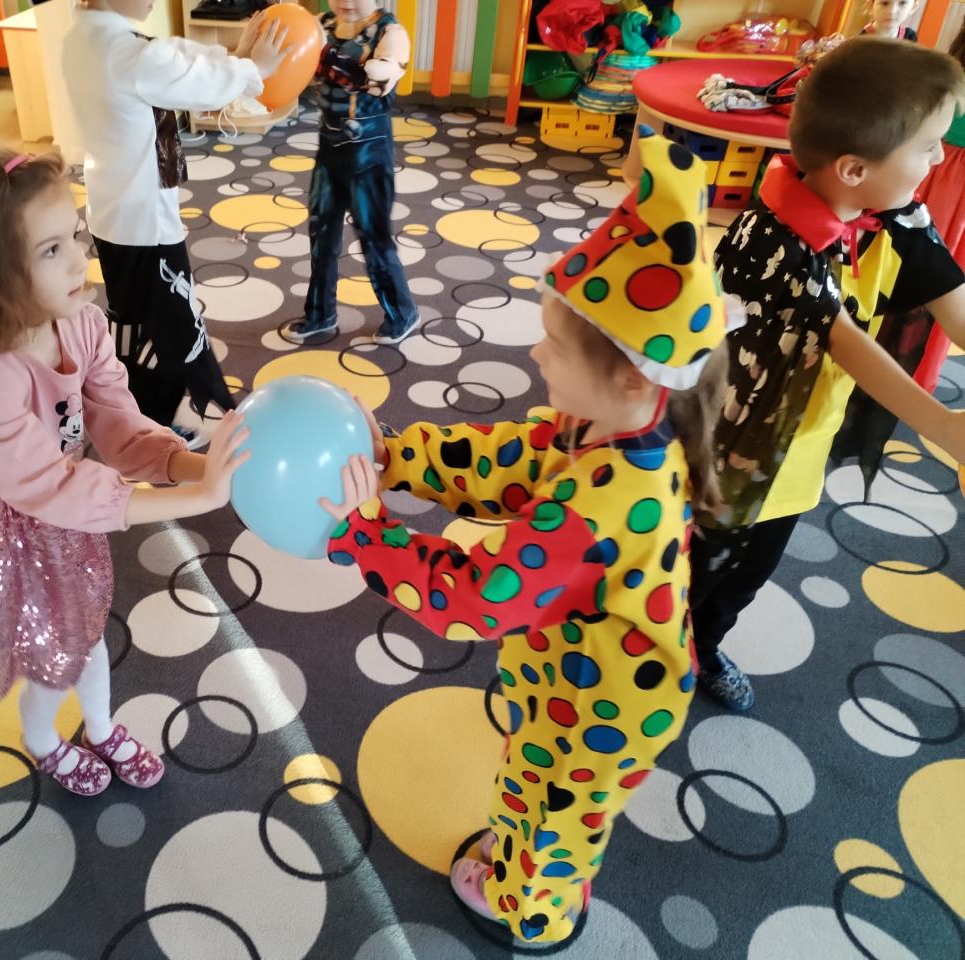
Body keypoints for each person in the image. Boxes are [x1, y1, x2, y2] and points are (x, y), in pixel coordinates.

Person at [322, 129, 734, 943]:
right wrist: (400, 456)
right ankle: (522, 855)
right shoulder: (606, 426)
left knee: (551, 820)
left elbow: (477, 600)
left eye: (556, 344)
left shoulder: (602, 502)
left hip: (599, 708)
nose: (537, 350)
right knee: (533, 789)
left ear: (631, 376)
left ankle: (533, 912)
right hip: (574, 672)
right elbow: (505, 461)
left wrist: (368, 536)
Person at [0, 147, 248, 796]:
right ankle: (43, 742)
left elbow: (119, 426)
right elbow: (49, 487)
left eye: (76, 235)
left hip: (61, 508)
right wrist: (200, 495)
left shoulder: (80, 323)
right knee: (49, 659)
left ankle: (101, 727)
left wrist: (199, 465)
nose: (81, 259)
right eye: (51, 249)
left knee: (83, 634)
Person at [694, 37, 965, 712]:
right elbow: (846, 343)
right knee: (695, 570)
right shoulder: (767, 242)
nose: (939, 157)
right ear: (852, 168)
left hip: (800, 448)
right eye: (927, 146)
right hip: (731, 454)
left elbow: (946, 289)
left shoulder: (895, 209)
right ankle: (659, 655)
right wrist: (944, 428)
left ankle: (704, 646)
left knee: (749, 575)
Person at [62, 0, 288, 443]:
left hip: (112, 214)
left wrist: (238, 57)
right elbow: (191, 77)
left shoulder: (84, 38)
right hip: (144, 223)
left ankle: (143, 415)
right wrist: (252, 67)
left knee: (136, 324)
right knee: (177, 325)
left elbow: (176, 59)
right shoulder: (125, 54)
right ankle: (221, 421)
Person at [286, 0, 419, 345]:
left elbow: (373, 78)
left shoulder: (390, 32)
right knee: (321, 232)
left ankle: (402, 313)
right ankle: (320, 314)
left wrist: (323, 53)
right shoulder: (322, 25)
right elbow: (295, 63)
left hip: (369, 153)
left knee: (373, 236)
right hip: (330, 147)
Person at [912, 19, 965, 390]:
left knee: (948, 283)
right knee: (925, 273)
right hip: (938, 180)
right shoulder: (947, 77)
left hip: (946, 184)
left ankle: (917, 374)